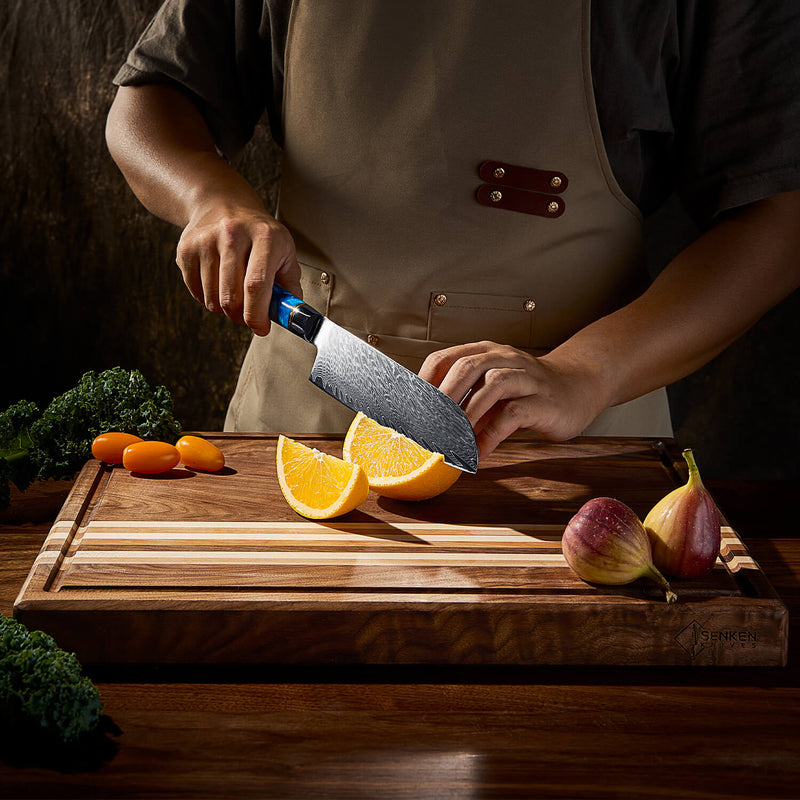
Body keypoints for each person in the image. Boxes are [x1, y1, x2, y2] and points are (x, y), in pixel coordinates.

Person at [106, 1, 800, 463]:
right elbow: (151, 98)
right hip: (298, 437)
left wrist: (587, 371)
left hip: (574, 460)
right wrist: (210, 196)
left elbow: (781, 217)